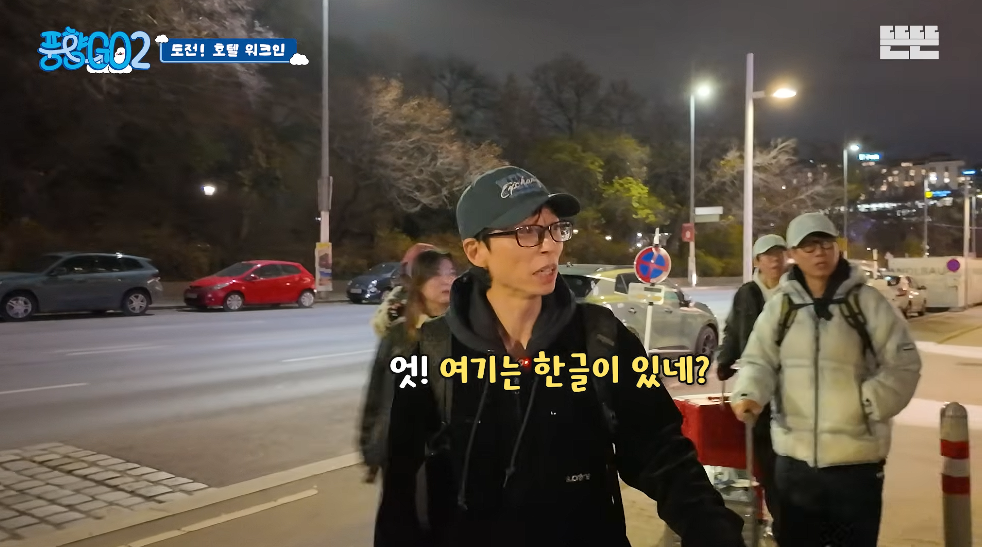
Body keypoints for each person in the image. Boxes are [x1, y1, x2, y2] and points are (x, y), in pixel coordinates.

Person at [375, 165, 745, 547]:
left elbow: (660, 451)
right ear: (476, 251)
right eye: (527, 232)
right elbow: (401, 495)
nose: (550, 245)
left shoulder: (601, 338)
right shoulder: (431, 352)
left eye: (554, 229)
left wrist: (711, 527)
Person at [730, 212, 922, 547]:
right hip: (794, 461)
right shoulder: (781, 308)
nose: (819, 252)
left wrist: (868, 402)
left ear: (837, 247)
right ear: (794, 253)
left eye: (825, 243)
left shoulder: (867, 303)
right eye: (808, 246)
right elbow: (758, 360)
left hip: (856, 462)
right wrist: (749, 393)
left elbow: (904, 362)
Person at [360, 248, 456, 483]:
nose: (446, 280)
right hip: (400, 454)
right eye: (436, 274)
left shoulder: (467, 332)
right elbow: (377, 393)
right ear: (419, 282)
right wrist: (371, 446)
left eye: (451, 273)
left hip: (450, 457)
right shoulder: (399, 334)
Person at [716, 233, 788, 535]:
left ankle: (790, 522)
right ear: (757, 260)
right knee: (767, 462)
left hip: (792, 388)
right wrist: (724, 360)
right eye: (769, 255)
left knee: (790, 461)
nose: (775, 260)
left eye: (779, 254)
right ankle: (780, 521)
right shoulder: (746, 294)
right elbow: (734, 330)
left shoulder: (796, 290)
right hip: (758, 388)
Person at [371, 243, 438, 337]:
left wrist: (412, 315)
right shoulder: (399, 292)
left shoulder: (445, 293)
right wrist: (391, 315)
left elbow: (440, 327)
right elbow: (378, 325)